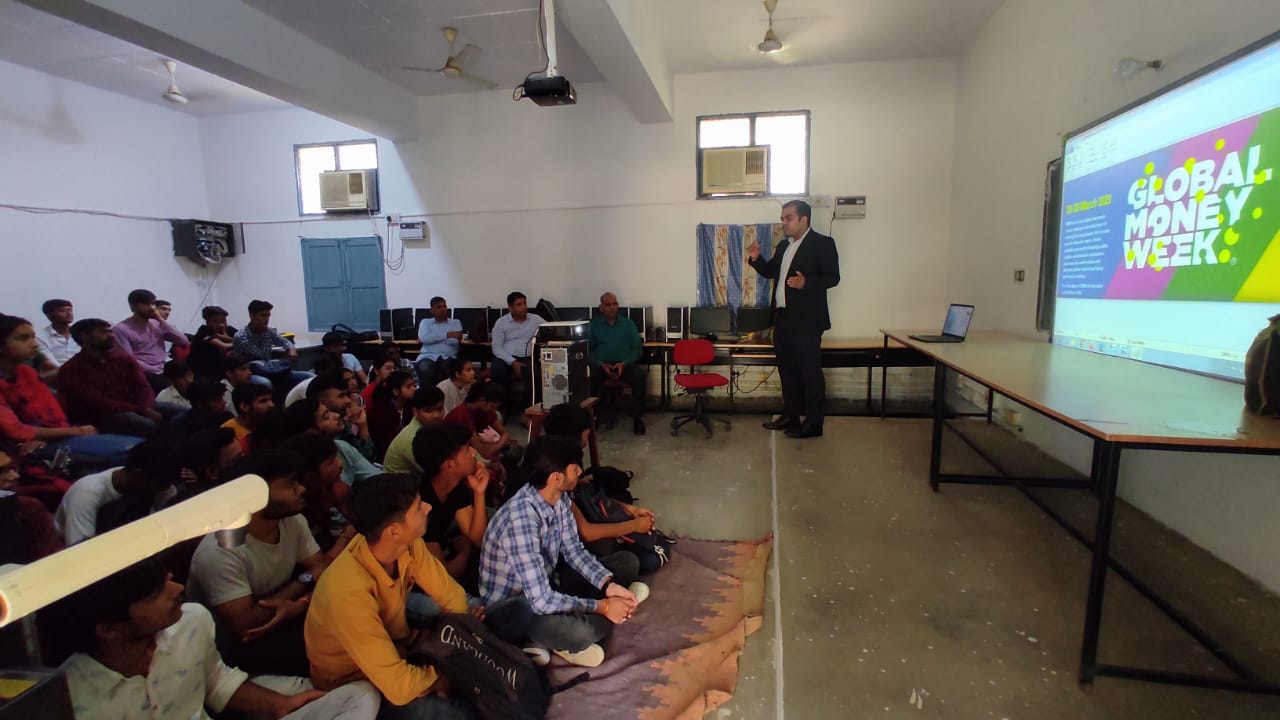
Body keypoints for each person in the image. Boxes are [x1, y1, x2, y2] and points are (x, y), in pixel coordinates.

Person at [39, 556, 381, 720]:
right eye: (157, 592)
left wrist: (279, 705)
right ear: (109, 628)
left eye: (168, 579)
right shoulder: (65, 696)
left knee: (360, 695)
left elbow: (216, 681)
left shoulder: (192, 621)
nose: (177, 589)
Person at [305, 473, 477, 718]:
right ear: (394, 531)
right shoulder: (346, 591)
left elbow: (453, 597)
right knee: (452, 712)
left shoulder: (408, 543)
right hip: (355, 684)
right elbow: (399, 687)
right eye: (418, 508)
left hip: (397, 649)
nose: (428, 508)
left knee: (484, 621)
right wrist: (443, 671)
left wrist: (451, 649)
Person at [480, 436, 646, 668]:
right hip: (515, 609)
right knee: (581, 632)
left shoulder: (559, 499)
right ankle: (561, 635)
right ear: (556, 478)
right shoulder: (521, 519)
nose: (580, 472)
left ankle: (578, 625)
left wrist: (609, 586)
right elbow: (540, 601)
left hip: (548, 584)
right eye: (574, 468)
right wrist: (604, 607)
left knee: (627, 562)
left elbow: (575, 551)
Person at [188, 450, 334, 677]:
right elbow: (246, 627)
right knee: (332, 648)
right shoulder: (221, 550)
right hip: (233, 651)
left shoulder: (292, 520)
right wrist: (303, 584)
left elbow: (321, 569)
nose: (301, 489)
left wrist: (301, 603)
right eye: (290, 484)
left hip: (285, 618)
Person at [747, 199, 840, 438]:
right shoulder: (783, 246)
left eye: (788, 218)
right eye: (782, 218)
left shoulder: (823, 243)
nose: (783, 222)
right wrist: (756, 259)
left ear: (803, 219)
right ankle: (790, 416)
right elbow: (771, 272)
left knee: (810, 373)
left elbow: (833, 277)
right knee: (787, 372)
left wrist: (806, 282)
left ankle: (814, 423)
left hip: (807, 322)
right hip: (783, 319)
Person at [0, 315, 139, 467]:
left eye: (33, 337)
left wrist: (52, 435)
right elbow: (15, 431)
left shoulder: (26, 372)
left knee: (142, 447)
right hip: (19, 447)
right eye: (23, 338)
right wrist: (77, 431)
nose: (34, 344)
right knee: (132, 455)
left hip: (52, 436)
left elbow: (52, 412)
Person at [53, 440, 179, 545]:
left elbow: (171, 523)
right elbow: (80, 549)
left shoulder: (156, 483)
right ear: (138, 474)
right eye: (160, 485)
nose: (165, 489)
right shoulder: (86, 493)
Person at [410, 422, 490, 585]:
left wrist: (479, 493)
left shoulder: (456, 488)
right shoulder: (421, 507)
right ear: (449, 465)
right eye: (467, 450)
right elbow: (443, 579)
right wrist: (465, 552)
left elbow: (479, 540)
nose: (474, 452)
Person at [58, 318, 163, 438]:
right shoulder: (72, 368)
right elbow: (95, 402)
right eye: (103, 332)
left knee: (174, 412)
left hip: (137, 407)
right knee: (142, 424)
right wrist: (141, 410)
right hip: (99, 416)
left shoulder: (124, 359)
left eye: (110, 331)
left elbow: (143, 387)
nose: (111, 336)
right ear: (84, 336)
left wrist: (145, 407)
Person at [284, 397, 381, 490]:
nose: (336, 415)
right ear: (310, 432)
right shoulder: (301, 469)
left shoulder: (341, 447)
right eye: (326, 417)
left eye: (329, 411)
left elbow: (378, 477)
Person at [284, 432, 358, 554]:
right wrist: (346, 536)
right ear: (310, 474)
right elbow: (320, 563)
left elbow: (357, 521)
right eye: (331, 461)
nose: (340, 463)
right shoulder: (296, 515)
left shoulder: (333, 490)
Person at [588, 292, 646, 435]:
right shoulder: (594, 326)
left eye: (615, 304)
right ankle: (592, 418)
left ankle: (637, 419)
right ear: (601, 308)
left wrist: (624, 363)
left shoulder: (628, 324)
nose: (612, 307)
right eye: (608, 305)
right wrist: (601, 364)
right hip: (602, 366)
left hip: (624, 365)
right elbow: (587, 351)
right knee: (589, 378)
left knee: (639, 377)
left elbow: (637, 349)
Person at [111, 288, 190, 393]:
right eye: (146, 304)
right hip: (144, 372)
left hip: (163, 368)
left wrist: (160, 320)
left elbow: (183, 341)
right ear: (133, 306)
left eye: (153, 304)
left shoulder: (157, 324)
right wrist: (155, 370)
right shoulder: (121, 329)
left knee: (193, 384)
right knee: (170, 389)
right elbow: (128, 360)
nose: (151, 308)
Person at [0, 446, 63, 562]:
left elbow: (52, 559)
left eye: (12, 469)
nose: (15, 476)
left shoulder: (29, 509)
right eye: (2, 472)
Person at [233, 299, 311, 388]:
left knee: (309, 377)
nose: (267, 319)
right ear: (252, 316)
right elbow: (262, 356)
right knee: (265, 383)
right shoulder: (241, 336)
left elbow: (284, 341)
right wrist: (264, 334)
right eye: (263, 315)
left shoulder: (268, 331)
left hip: (268, 369)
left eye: (268, 315)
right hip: (250, 373)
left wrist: (291, 348)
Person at [488, 292, 543, 412]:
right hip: (505, 356)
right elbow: (496, 348)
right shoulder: (501, 322)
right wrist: (512, 362)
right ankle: (504, 407)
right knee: (496, 370)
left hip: (526, 357)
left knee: (534, 372)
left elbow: (551, 329)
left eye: (525, 303)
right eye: (519, 304)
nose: (524, 307)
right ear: (510, 308)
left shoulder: (536, 319)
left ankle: (528, 408)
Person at [444, 380, 515, 463]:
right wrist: (499, 445)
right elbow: (481, 452)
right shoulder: (462, 415)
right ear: (482, 400)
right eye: (493, 406)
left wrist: (497, 445)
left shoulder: (486, 411)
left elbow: (505, 434)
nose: (495, 410)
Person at [383, 387, 446, 476]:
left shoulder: (431, 428)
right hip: (396, 483)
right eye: (428, 411)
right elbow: (437, 472)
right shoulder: (412, 438)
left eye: (440, 409)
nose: (436, 415)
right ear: (415, 412)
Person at [368, 370, 416, 461]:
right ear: (396, 391)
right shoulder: (380, 412)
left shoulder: (411, 406)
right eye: (408, 386)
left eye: (414, 385)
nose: (414, 389)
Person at [415, 296, 462, 386]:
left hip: (448, 357)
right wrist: (447, 335)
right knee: (424, 368)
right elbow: (424, 338)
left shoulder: (455, 322)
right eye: (438, 307)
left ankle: (450, 393)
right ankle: (429, 394)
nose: (442, 309)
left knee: (451, 370)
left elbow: (454, 342)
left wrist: (432, 338)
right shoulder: (425, 322)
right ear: (432, 310)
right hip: (428, 356)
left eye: (444, 306)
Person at [222, 383, 275, 453]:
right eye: (263, 401)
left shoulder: (272, 423)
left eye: (271, 400)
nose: (271, 405)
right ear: (245, 407)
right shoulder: (227, 434)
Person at [189, 305, 237, 380]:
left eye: (224, 320)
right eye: (216, 321)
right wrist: (234, 341)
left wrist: (229, 338)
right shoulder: (203, 331)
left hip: (224, 371)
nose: (221, 325)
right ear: (207, 322)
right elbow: (223, 346)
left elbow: (247, 342)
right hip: (204, 373)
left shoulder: (229, 329)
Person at [36, 298, 80, 368]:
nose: (69, 314)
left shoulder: (80, 333)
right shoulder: (40, 336)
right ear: (49, 315)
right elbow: (50, 362)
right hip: (56, 371)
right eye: (62, 311)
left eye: (70, 310)